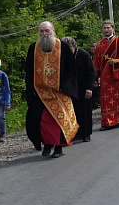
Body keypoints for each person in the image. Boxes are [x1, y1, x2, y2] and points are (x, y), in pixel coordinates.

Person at [25, 21, 79, 158]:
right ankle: (47, 144)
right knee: (41, 121)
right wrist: (31, 89)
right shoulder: (33, 48)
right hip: (40, 93)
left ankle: (59, 148)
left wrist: (65, 86)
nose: (44, 34)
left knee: (59, 120)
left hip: (59, 92)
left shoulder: (63, 47)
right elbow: (28, 71)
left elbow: (71, 69)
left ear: (53, 31)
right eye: (42, 31)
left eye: (47, 31)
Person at [61, 37, 96, 143]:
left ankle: (86, 134)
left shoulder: (83, 54)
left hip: (84, 87)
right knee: (74, 112)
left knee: (85, 111)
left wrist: (89, 88)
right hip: (71, 89)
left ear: (74, 46)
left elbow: (91, 72)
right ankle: (77, 133)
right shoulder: (64, 58)